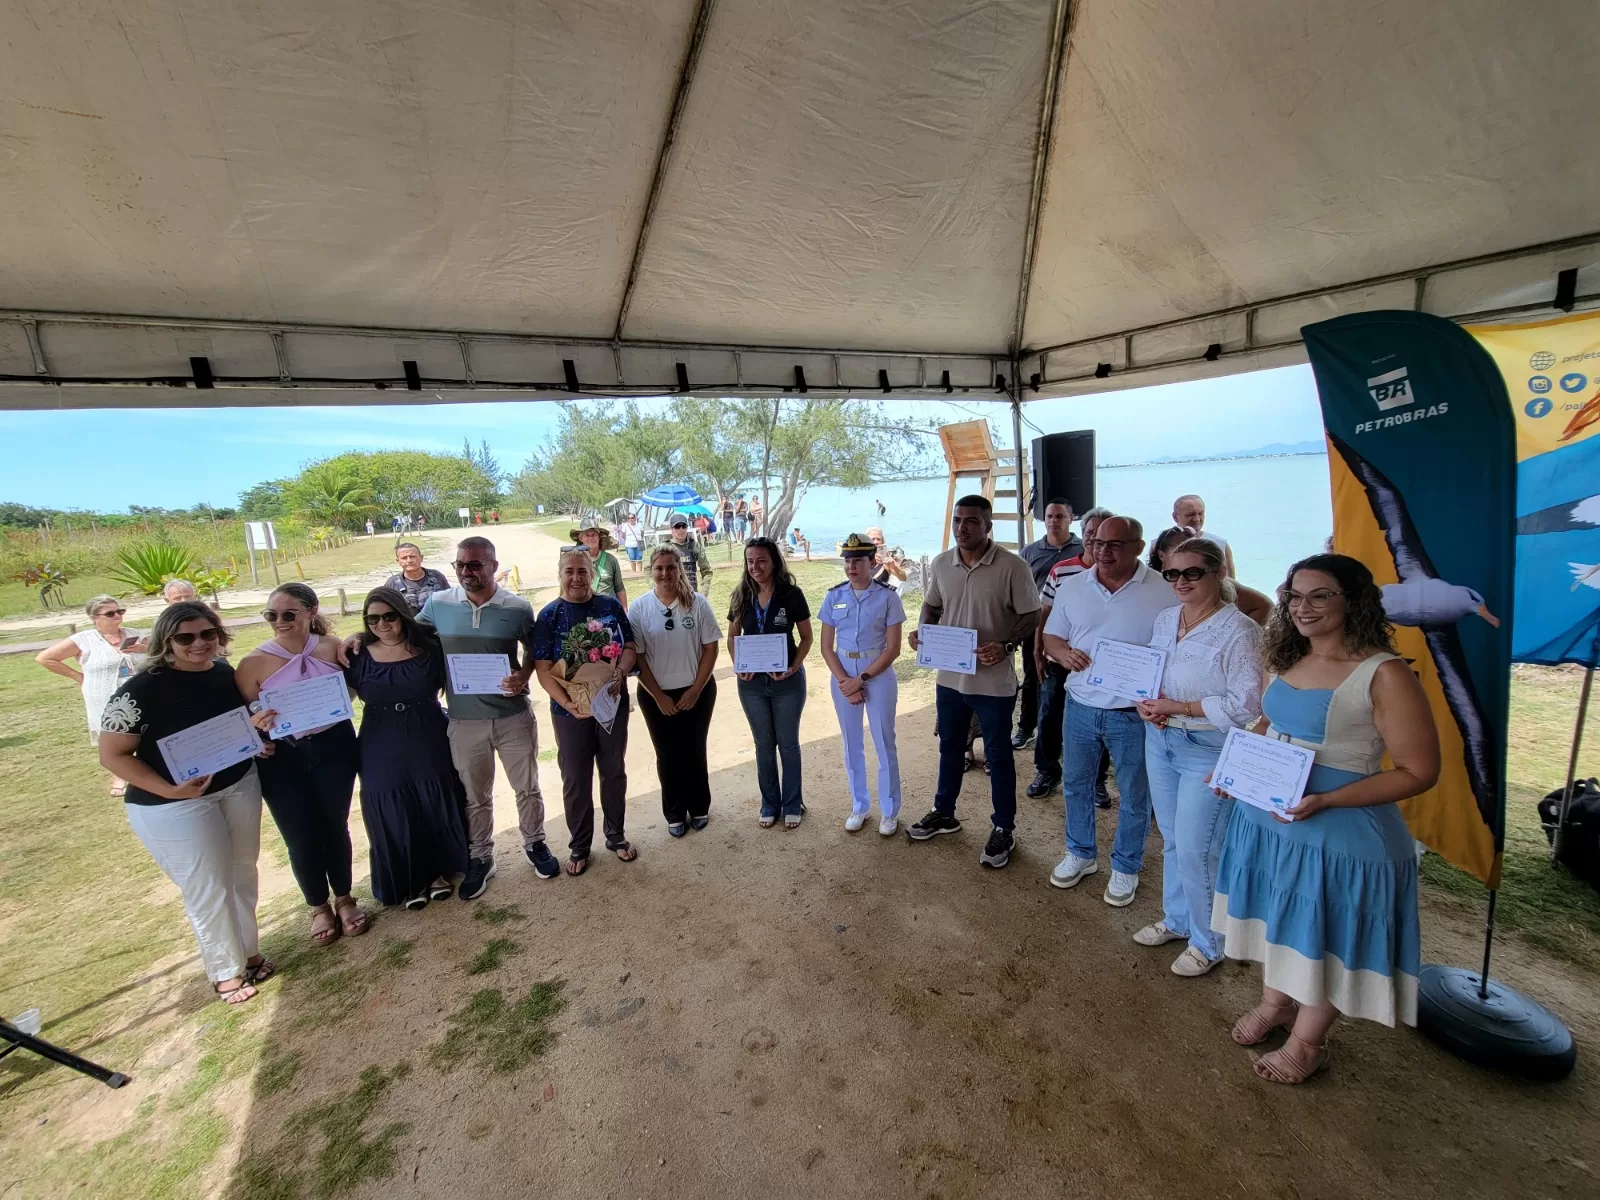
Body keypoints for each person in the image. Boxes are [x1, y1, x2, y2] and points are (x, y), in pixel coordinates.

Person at [1213, 554, 1439, 1084]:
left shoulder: (1383, 674)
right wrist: (1235, 769)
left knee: (1328, 934)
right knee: (1280, 918)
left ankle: (1308, 1042)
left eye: (1319, 595)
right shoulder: (1288, 655)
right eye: (1294, 596)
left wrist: (1328, 801)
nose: (1302, 607)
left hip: (1341, 828)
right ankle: (1277, 1003)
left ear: (1353, 600)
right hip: (1273, 816)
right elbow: (1269, 722)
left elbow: (1418, 771)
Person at [98, 602, 274, 1004]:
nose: (199, 644)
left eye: (207, 634)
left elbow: (230, 728)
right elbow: (113, 755)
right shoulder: (140, 690)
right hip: (173, 803)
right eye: (186, 637)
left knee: (242, 874)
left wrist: (254, 741)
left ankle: (248, 952)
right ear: (167, 641)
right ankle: (226, 971)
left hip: (236, 785)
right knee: (207, 886)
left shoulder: (225, 674)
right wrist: (170, 790)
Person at [1133, 538, 1264, 977]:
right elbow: (1152, 671)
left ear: (1218, 573)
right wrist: (1147, 703)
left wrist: (1179, 708)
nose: (1181, 581)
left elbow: (1247, 704)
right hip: (1162, 740)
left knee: (1198, 847)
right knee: (1172, 839)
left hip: (1209, 747)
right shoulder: (1167, 618)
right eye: (1172, 573)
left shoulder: (1240, 631)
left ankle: (1209, 943)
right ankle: (1178, 920)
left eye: (1192, 573)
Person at [411, 536, 557, 896]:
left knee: (527, 787)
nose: (465, 571)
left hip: (512, 717)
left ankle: (535, 844)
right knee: (475, 795)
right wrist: (356, 639)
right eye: (459, 565)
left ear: (493, 565)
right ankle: (481, 857)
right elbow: (404, 635)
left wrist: (523, 676)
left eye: (474, 564)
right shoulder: (438, 604)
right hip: (464, 721)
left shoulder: (518, 607)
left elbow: (532, 652)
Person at [1042, 516, 1174, 903]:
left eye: (1115, 544)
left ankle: (1125, 865)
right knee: (1076, 784)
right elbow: (1052, 634)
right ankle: (1081, 853)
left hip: (1134, 713)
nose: (1103, 551)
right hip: (1081, 704)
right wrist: (1063, 653)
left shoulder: (1163, 591)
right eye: (1098, 542)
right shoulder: (1073, 586)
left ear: (1138, 546)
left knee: (1135, 794)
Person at [907, 495, 1040, 869]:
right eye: (957, 520)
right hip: (949, 677)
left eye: (971, 521)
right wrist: (924, 631)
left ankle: (1003, 828)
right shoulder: (942, 564)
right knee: (950, 748)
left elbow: (1032, 615)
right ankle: (943, 813)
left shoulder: (1013, 567)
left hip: (994, 683)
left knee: (998, 757)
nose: (962, 528)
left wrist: (1007, 645)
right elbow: (933, 605)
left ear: (988, 526)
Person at [236, 583, 365, 947]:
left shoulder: (332, 648)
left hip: (333, 747)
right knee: (299, 836)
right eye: (271, 615)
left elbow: (352, 688)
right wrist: (256, 730)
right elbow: (242, 717)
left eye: (289, 614)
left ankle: (344, 898)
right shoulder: (252, 664)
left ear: (311, 612)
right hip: (283, 757)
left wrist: (355, 635)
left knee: (334, 825)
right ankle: (317, 906)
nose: (279, 621)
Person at [344, 587, 468, 910]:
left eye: (389, 616)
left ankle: (439, 871)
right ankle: (411, 877)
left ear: (402, 615)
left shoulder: (429, 646)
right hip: (379, 740)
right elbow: (340, 700)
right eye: (372, 619)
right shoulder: (356, 655)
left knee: (433, 799)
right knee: (390, 804)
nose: (381, 624)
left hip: (428, 732)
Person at [533, 548, 639, 875]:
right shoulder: (549, 615)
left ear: (592, 573)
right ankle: (580, 845)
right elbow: (543, 667)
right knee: (576, 778)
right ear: (560, 574)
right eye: (570, 572)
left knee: (613, 771)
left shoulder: (609, 606)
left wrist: (620, 672)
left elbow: (630, 647)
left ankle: (616, 835)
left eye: (582, 571)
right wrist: (567, 703)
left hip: (611, 706)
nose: (576, 578)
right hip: (569, 714)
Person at [629, 545, 722, 837]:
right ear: (651, 571)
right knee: (667, 753)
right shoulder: (640, 607)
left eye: (671, 567)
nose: (665, 573)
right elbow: (637, 656)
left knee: (694, 749)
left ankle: (699, 807)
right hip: (656, 693)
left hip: (697, 690)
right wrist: (659, 695)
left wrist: (696, 689)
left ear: (680, 568)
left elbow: (710, 647)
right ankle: (674, 811)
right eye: (659, 568)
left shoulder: (697, 603)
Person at [820, 533, 905, 835]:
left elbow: (893, 648)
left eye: (858, 561)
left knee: (884, 742)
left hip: (877, 674)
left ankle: (890, 810)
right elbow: (826, 647)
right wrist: (845, 682)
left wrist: (861, 680)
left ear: (872, 562)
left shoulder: (888, 597)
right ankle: (859, 805)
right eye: (847, 560)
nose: (851, 566)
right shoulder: (834, 596)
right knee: (851, 744)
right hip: (843, 673)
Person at [728, 537, 812, 828]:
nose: (755, 566)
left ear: (774, 561)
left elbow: (807, 638)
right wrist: (739, 665)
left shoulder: (791, 594)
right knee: (763, 745)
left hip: (787, 683)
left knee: (788, 744)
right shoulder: (741, 594)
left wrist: (793, 667)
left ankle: (792, 803)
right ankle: (769, 803)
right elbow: (732, 636)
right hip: (751, 685)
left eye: (761, 560)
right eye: (750, 561)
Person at [1030, 506, 1112, 801]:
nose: (1095, 542)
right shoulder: (1062, 570)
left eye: (1103, 536)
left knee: (1099, 721)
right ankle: (1047, 770)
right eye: (1091, 534)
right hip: (1058, 659)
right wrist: (1039, 652)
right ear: (1084, 535)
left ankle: (1097, 780)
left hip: (1099, 666)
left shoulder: (1119, 575)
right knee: (1050, 715)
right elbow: (1045, 614)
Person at [36, 595, 147, 795]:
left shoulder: (135, 634)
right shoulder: (84, 639)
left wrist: (142, 648)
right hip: (103, 695)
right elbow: (45, 658)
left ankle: (146, 771)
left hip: (139, 693)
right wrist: (78, 676)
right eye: (110, 613)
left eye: (119, 611)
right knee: (114, 736)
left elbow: (162, 652)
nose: (117, 616)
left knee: (143, 732)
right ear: (95, 618)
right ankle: (120, 776)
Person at [1016, 499, 1082, 752]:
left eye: (1060, 516)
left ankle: (1066, 731)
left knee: (1068, 677)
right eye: (1050, 516)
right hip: (1036, 624)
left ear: (1071, 518)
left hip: (1072, 628)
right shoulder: (1029, 552)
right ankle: (1025, 726)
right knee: (1033, 676)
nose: (1054, 521)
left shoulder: (1083, 548)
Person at [1150, 527, 1272, 624]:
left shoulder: (1219, 580)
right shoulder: (1149, 583)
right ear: (1161, 555)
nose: (1187, 551)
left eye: (1193, 572)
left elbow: (1265, 606)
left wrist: (1228, 633)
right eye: (1181, 547)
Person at [1173, 494, 1237, 578]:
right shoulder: (1160, 545)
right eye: (1190, 514)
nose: (1197, 519)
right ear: (1175, 517)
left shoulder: (1220, 544)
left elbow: (1231, 583)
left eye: (1200, 514)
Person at [568, 516, 628, 605]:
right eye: (587, 535)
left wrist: (624, 610)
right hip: (584, 610)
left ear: (599, 537)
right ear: (581, 538)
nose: (591, 538)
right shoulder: (574, 561)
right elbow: (568, 588)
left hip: (609, 610)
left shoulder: (611, 560)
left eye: (594, 535)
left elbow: (619, 587)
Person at [386, 542, 452, 614]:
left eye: (412, 556)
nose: (409, 560)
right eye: (404, 558)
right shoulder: (392, 584)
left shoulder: (436, 577)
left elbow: (450, 602)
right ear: (398, 561)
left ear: (421, 558)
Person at [668, 515, 714, 594]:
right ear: (671, 529)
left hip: (691, 595)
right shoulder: (665, 548)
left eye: (684, 526)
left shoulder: (695, 546)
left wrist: (704, 593)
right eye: (677, 527)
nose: (681, 530)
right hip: (671, 596)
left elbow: (706, 571)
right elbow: (651, 570)